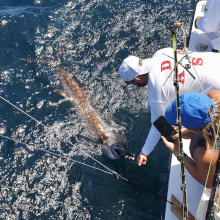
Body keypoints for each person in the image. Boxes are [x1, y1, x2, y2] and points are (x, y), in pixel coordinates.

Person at [118, 47, 220, 166]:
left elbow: (157, 125)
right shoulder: (161, 53)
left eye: (129, 82)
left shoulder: (156, 95)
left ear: (137, 78)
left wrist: (144, 152)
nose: (131, 85)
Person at [162, 91, 220, 187]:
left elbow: (208, 183)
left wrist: (177, 152)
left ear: (196, 131)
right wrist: (187, 131)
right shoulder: (215, 95)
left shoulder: (204, 154)